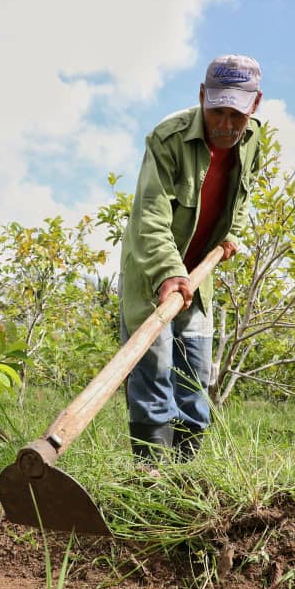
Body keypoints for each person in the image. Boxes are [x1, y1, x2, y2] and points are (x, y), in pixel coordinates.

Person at [119, 54, 264, 463]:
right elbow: (148, 216)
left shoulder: (253, 142)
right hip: (153, 275)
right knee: (155, 373)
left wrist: (229, 235)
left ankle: (186, 481)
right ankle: (150, 481)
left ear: (254, 106)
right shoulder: (166, 140)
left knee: (196, 377)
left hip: (199, 278)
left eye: (236, 114)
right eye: (216, 110)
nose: (225, 124)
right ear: (202, 96)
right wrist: (168, 273)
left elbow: (238, 195)